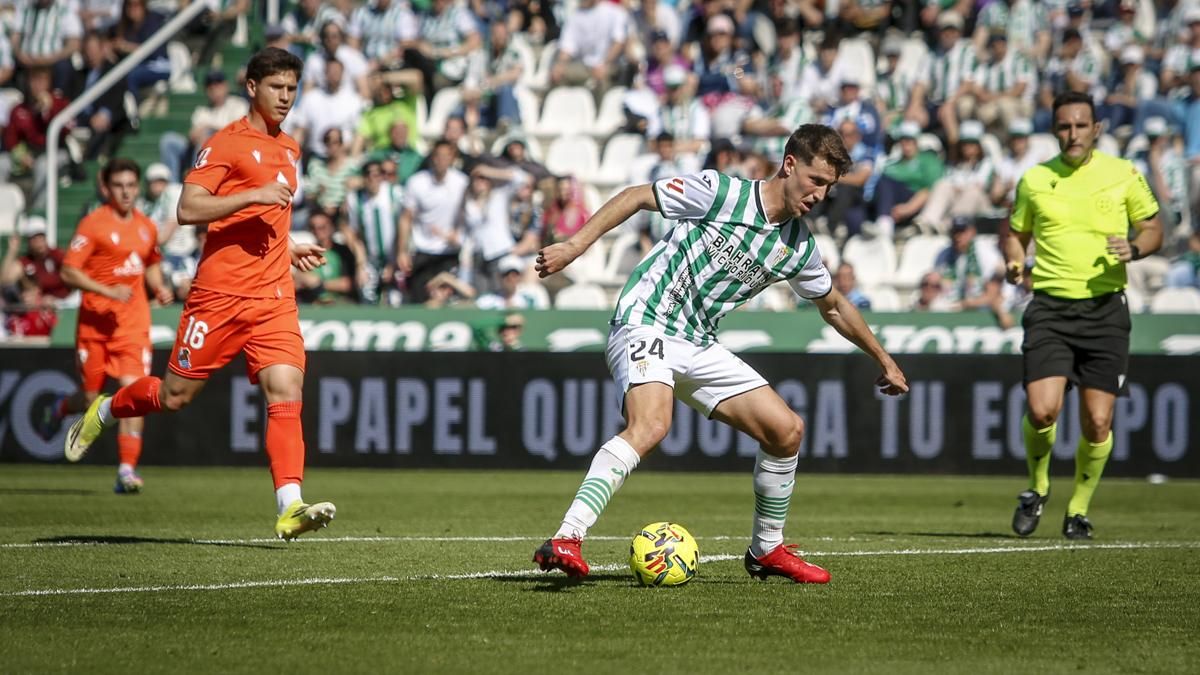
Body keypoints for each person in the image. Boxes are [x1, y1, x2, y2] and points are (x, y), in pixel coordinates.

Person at [531, 124, 909, 583]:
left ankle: (766, 549)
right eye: (815, 180)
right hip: (647, 317)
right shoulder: (721, 192)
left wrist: (883, 359)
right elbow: (635, 196)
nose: (820, 195)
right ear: (789, 165)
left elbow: (833, 306)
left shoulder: (797, 246)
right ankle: (567, 536)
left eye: (829, 187)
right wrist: (575, 246)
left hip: (698, 341)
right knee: (651, 425)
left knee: (786, 430)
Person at [64, 47, 337, 541]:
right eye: (277, 87)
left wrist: (288, 245)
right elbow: (189, 208)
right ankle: (105, 410)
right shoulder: (226, 143)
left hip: (274, 296)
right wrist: (253, 195)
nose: (286, 97)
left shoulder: (292, 148)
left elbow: (268, 217)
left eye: (292, 89)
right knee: (173, 397)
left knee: (287, 390)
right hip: (219, 297)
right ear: (252, 87)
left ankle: (290, 505)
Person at [1005, 91, 1162, 541]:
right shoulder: (1034, 179)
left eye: (1080, 125)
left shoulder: (1124, 174)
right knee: (1042, 410)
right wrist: (1016, 261)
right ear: (1055, 130)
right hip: (1050, 307)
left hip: (1105, 310)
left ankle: (1078, 509)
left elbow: (1153, 228)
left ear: (1097, 129)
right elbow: (1015, 234)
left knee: (1097, 423)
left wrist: (1134, 248)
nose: (1072, 134)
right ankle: (1037, 488)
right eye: (1063, 126)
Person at [46, 159, 173, 492]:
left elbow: (151, 264)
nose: (126, 191)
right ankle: (61, 406)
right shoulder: (93, 224)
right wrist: (107, 291)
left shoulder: (146, 226)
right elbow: (68, 272)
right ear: (106, 187)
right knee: (91, 399)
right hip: (95, 326)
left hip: (133, 327)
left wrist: (158, 287)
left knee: (134, 394)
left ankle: (126, 470)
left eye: (131, 184)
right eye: (119, 185)